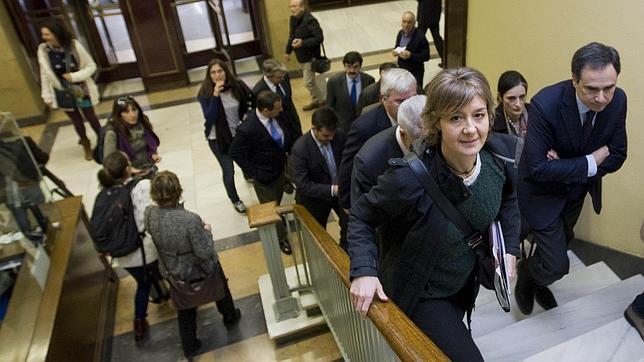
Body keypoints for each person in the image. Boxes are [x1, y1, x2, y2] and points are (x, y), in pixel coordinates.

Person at [349, 67, 520, 361]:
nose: (470, 128)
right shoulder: (408, 178)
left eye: (478, 115)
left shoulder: (498, 158)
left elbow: (509, 200)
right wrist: (364, 270)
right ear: (436, 123)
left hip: (463, 285)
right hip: (423, 292)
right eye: (456, 117)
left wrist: (511, 248)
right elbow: (361, 217)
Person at [516, 42, 627, 315]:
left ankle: (538, 278)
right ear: (574, 80)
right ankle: (527, 274)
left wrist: (568, 166)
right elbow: (539, 168)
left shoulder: (619, 100)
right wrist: (590, 161)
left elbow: (618, 154)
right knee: (557, 265)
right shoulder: (546, 104)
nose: (601, 97)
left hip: (576, 193)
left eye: (608, 87)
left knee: (561, 244)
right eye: (591, 88)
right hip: (542, 194)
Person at [145, 171, 241, 358]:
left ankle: (190, 346)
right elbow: (204, 252)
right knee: (220, 286)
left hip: (172, 269)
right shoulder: (190, 219)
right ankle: (229, 316)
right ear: (178, 191)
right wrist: (207, 232)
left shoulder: (150, 214)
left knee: (185, 309)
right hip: (198, 268)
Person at [96, 152, 160, 343]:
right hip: (146, 250)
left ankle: (139, 323)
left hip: (122, 255)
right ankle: (177, 300)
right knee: (163, 273)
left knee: (142, 284)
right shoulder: (142, 187)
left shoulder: (103, 194)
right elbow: (152, 216)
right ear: (127, 168)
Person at [338, 68, 417, 210]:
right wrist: (348, 204)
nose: (408, 106)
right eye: (400, 101)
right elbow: (348, 166)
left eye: (412, 98)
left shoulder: (423, 117)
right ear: (383, 99)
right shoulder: (364, 127)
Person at [230, 91, 296, 255]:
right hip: (264, 176)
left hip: (280, 169)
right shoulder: (247, 129)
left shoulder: (278, 115)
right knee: (270, 209)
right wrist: (253, 173)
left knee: (277, 199)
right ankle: (281, 238)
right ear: (266, 110)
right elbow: (235, 152)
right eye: (277, 109)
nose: (281, 111)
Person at [37, 18, 101, 160]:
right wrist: (46, 95)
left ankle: (103, 140)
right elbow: (44, 74)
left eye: (47, 34)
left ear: (56, 33)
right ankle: (85, 143)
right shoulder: (43, 50)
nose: (44, 38)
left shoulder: (74, 45)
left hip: (80, 90)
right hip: (61, 92)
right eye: (43, 34)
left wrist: (74, 76)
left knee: (91, 117)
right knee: (76, 120)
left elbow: (91, 66)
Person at [198, 58, 253, 214]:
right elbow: (210, 117)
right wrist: (215, 95)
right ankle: (235, 199)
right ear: (209, 75)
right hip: (218, 139)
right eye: (213, 72)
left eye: (220, 71)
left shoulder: (237, 86)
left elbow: (249, 101)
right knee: (228, 170)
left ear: (225, 71)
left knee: (246, 159)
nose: (217, 75)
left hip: (238, 133)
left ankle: (248, 174)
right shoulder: (205, 93)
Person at [351, 95, 427, 205]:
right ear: (403, 133)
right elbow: (362, 212)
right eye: (421, 142)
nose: (428, 146)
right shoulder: (369, 161)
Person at [290, 107, 348, 250]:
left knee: (349, 226)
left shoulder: (339, 136)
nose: (331, 138)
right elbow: (303, 185)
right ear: (314, 129)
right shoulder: (300, 149)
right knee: (318, 235)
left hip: (341, 194)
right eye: (326, 135)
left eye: (333, 134)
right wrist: (333, 190)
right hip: (315, 200)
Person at [103, 96, 161, 176]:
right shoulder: (112, 132)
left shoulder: (142, 122)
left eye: (134, 109)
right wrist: (128, 169)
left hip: (147, 167)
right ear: (118, 114)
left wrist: (153, 154)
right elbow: (109, 162)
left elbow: (149, 144)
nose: (132, 115)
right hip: (125, 175)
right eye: (126, 112)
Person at [284, 0, 324, 111]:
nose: (292, 9)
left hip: (310, 56)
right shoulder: (293, 19)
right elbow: (291, 36)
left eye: (294, 6)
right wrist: (288, 51)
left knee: (308, 82)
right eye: (290, 7)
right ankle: (317, 100)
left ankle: (320, 102)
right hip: (300, 56)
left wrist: (303, 43)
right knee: (311, 81)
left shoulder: (310, 21)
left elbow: (319, 38)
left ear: (302, 7)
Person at [326, 51, 375, 131]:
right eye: (348, 67)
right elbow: (329, 105)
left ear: (360, 66)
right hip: (342, 126)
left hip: (363, 123)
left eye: (355, 67)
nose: (352, 70)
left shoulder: (369, 80)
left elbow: (371, 105)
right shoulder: (334, 82)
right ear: (344, 66)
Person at [252, 59, 302, 137]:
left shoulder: (284, 77)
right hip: (277, 126)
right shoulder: (258, 91)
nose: (282, 79)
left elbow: (288, 100)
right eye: (279, 77)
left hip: (293, 121)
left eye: (283, 75)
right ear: (268, 76)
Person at [393, 11, 430, 87]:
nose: (406, 25)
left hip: (415, 72)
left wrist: (410, 55)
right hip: (402, 69)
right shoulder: (400, 33)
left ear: (414, 23)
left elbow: (426, 56)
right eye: (404, 22)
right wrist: (396, 51)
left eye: (409, 22)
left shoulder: (420, 37)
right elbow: (397, 45)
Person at [493, 70, 530, 139]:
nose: (518, 104)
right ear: (500, 97)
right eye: (511, 98)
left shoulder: (536, 113)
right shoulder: (492, 122)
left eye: (522, 97)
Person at [417, 0, 444, 64]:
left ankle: (416, 59)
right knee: (437, 37)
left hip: (424, 12)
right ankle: (444, 58)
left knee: (418, 38)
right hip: (435, 13)